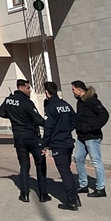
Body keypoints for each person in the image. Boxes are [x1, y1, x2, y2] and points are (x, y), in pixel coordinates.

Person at [0, 79, 49, 203]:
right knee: (40, 163)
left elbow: (0, 112)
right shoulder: (27, 102)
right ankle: (43, 194)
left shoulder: (9, 100)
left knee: (24, 165)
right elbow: (37, 119)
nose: (30, 90)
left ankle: (24, 194)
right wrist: (48, 124)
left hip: (18, 137)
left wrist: (13, 116)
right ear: (21, 88)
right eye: (28, 88)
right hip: (32, 136)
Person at [42, 82, 79, 212]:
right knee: (67, 171)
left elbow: (48, 127)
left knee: (65, 172)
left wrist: (44, 144)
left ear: (46, 92)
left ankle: (71, 201)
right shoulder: (65, 105)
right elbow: (75, 119)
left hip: (58, 144)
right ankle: (75, 198)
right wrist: (66, 129)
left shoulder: (50, 107)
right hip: (68, 142)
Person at [72, 80, 110, 198]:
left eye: (73, 89)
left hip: (92, 137)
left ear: (79, 90)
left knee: (96, 161)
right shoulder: (80, 102)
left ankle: (100, 188)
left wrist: (93, 128)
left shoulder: (92, 101)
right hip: (81, 136)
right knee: (78, 158)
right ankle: (83, 185)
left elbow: (104, 115)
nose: (73, 92)